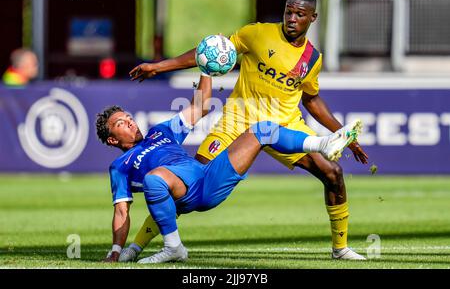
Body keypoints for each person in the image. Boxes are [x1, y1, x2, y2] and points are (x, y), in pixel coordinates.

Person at [127, 0, 369, 261]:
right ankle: (135, 247)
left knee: (333, 173)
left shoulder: (312, 59)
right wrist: (159, 66)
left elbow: (311, 99)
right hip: (237, 122)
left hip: (284, 125)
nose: (291, 18)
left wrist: (341, 133)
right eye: (288, 11)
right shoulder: (257, 33)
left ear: (313, 18)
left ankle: (341, 248)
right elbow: (208, 52)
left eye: (299, 14)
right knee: (188, 184)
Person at [97, 72, 363, 263]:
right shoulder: (120, 166)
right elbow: (122, 210)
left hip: (208, 178)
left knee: (262, 130)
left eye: (128, 117)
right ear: (112, 139)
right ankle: (173, 247)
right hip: (184, 193)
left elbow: (200, 106)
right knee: (155, 180)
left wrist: (205, 69)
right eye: (120, 123)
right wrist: (117, 250)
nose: (129, 121)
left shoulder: (161, 132)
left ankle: (323, 144)